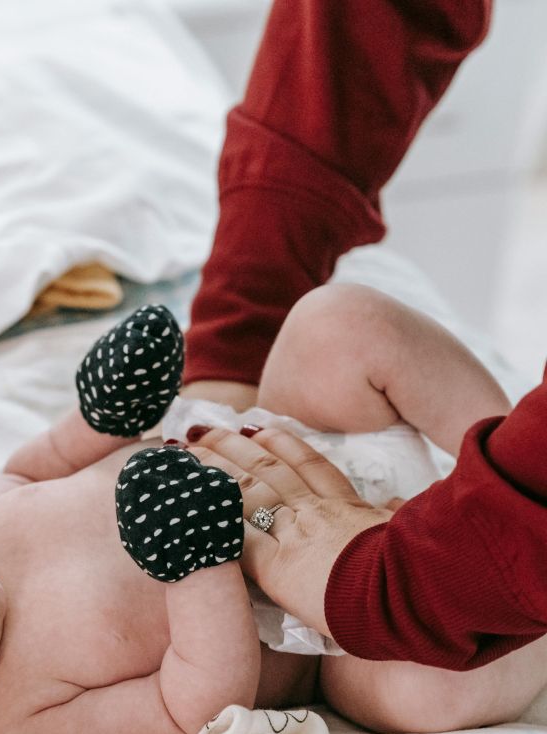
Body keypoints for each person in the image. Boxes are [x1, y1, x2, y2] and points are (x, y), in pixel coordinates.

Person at [0, 286, 546, 734]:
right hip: (334, 630)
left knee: (334, 323)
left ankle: (508, 471)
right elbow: (190, 710)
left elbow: (33, 472)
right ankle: (514, 566)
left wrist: (103, 416)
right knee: (424, 694)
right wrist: (195, 569)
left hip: (289, 442)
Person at [180, 0, 547, 671]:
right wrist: (236, 339)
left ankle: (501, 468)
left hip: (368, 549)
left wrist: (488, 538)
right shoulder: (3, 729)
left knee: (341, 323)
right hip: (330, 618)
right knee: (408, 691)